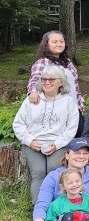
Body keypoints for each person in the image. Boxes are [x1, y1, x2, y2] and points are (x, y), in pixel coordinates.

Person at [13, 65, 79, 202]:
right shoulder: (31, 100)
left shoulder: (68, 102)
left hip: (57, 144)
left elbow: (71, 128)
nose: (47, 82)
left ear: (60, 82)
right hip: (33, 143)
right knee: (38, 172)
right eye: (44, 79)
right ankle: (39, 208)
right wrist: (30, 141)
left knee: (54, 170)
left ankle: (56, 207)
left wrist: (57, 144)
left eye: (51, 79)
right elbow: (18, 124)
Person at [26, 31, 83, 113]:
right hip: (55, 110)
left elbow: (75, 85)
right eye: (54, 42)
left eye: (61, 41)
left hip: (74, 108)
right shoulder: (43, 62)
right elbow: (35, 79)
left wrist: (80, 101)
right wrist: (33, 91)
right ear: (46, 44)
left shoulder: (67, 62)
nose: (59, 44)